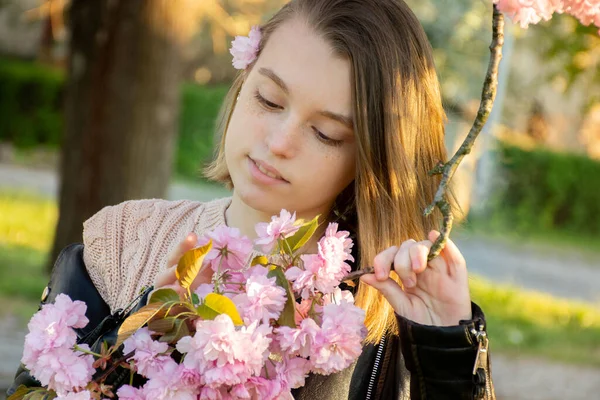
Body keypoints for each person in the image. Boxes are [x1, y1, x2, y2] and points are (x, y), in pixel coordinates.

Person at [10, 0, 495, 398]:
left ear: (371, 160)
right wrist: (143, 343)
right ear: (243, 83)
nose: (280, 141)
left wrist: (446, 350)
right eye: (269, 99)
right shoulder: (121, 242)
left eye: (326, 133)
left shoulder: (389, 309)